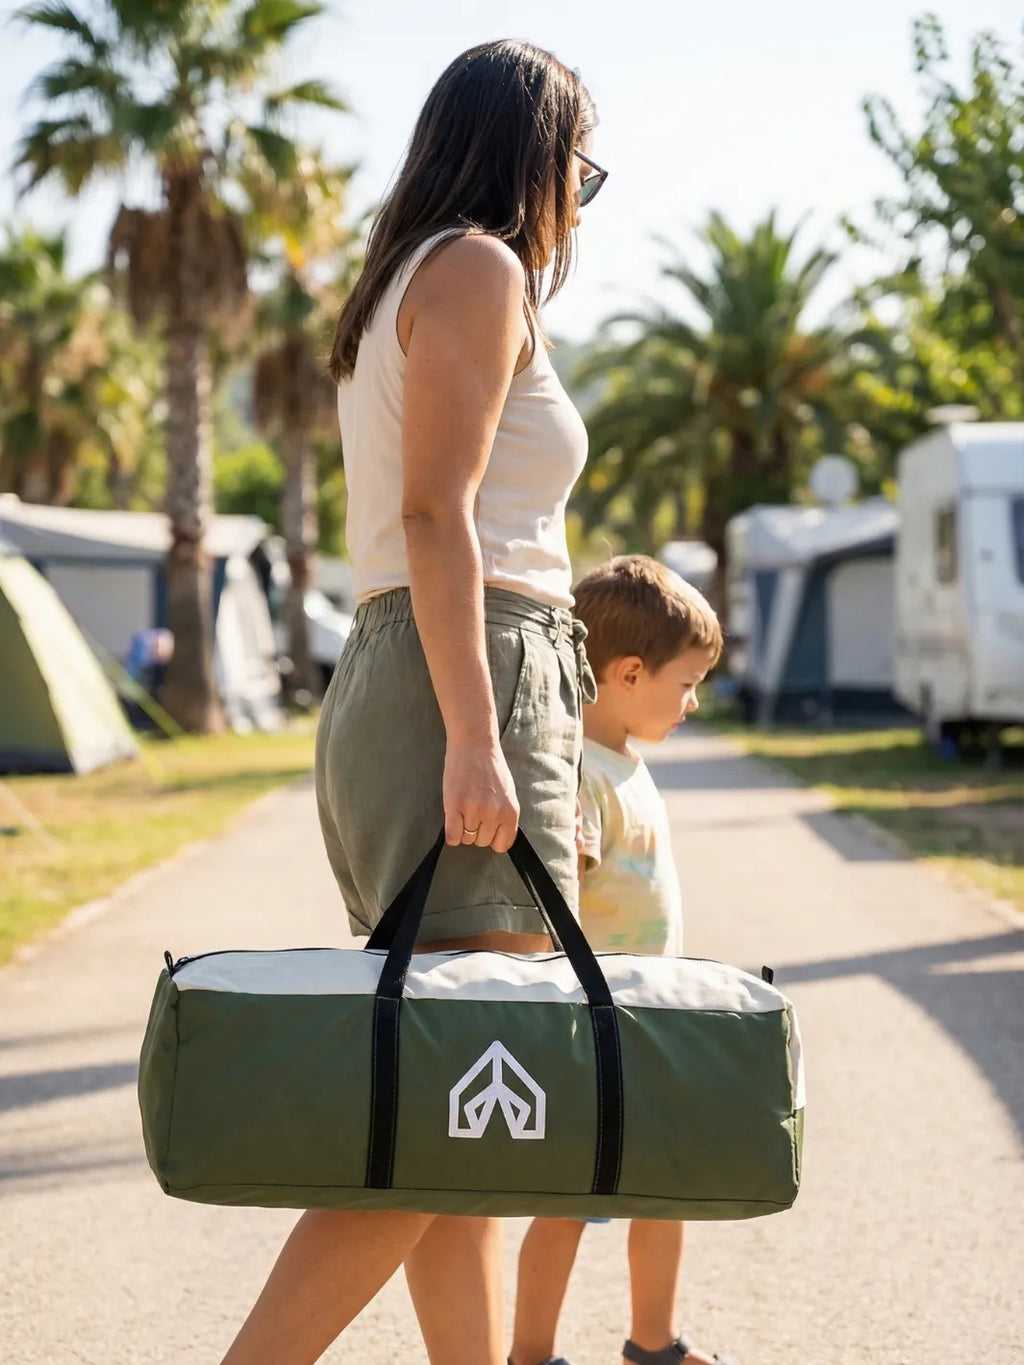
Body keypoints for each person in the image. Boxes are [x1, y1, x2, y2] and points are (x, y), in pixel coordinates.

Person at [220, 39, 605, 1365]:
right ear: (534, 155)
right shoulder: (479, 268)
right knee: (454, 1105)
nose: (578, 199)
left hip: (430, 665)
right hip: (468, 670)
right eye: (580, 169)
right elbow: (439, 514)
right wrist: (482, 735)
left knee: (466, 1102)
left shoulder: (403, 279)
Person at [510, 555, 734, 1365]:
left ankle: (654, 1339)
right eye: (686, 682)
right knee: (570, 1196)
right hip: (595, 1029)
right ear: (629, 672)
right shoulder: (578, 774)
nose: (693, 699)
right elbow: (554, 898)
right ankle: (530, 1353)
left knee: (663, 1184)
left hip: (651, 1018)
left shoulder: (628, 762)